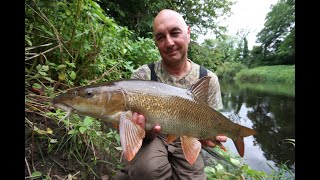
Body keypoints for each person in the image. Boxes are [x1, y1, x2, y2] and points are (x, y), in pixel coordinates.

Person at [113, 9, 227, 180]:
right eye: (161, 37)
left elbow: (212, 120)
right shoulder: (142, 76)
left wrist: (207, 136)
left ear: (188, 33)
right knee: (147, 170)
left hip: (188, 137)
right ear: (156, 42)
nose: (169, 42)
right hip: (154, 138)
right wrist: (145, 131)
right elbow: (134, 131)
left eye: (175, 33)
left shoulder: (208, 78)